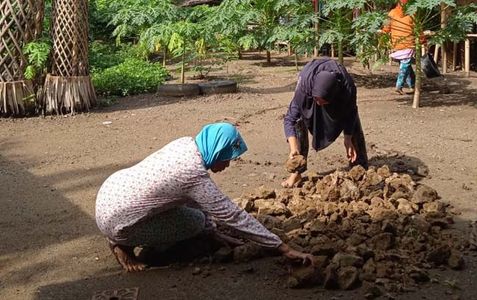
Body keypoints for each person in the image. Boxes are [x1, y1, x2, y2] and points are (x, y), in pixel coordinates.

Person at [95, 122, 314, 272]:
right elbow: (234, 216)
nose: (227, 165)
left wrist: (215, 232)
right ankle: (121, 243)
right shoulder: (193, 174)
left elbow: (189, 198)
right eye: (227, 158)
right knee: (195, 223)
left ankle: (126, 234)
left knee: (200, 215)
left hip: (110, 192)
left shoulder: (185, 145)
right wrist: (282, 247)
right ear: (217, 151)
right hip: (117, 220)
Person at [282, 58, 368, 188]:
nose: (319, 104)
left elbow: (351, 112)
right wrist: (294, 149)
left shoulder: (347, 88)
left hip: (335, 98)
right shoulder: (305, 85)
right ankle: (297, 172)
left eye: (323, 101)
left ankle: (359, 168)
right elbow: (290, 119)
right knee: (299, 120)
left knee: (353, 119)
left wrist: (348, 139)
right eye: (317, 100)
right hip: (311, 88)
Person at [382, 0, 416, 95]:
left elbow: (386, 28)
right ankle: (399, 85)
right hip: (409, 43)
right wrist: (423, 40)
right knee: (405, 65)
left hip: (397, 43)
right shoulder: (412, 13)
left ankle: (413, 85)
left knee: (406, 64)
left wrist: (383, 33)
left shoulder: (391, 13)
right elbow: (418, 28)